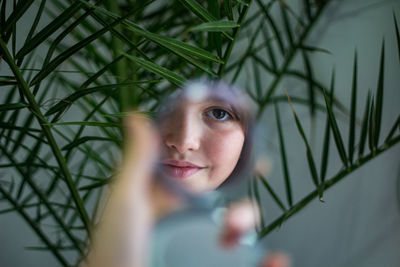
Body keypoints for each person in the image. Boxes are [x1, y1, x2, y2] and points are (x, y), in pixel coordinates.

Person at [84, 79, 290, 267]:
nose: (183, 143)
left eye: (219, 113)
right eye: (169, 112)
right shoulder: (127, 222)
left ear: (248, 144)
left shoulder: (235, 237)